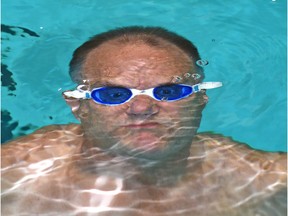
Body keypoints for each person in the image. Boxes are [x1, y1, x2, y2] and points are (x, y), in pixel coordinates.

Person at [1, 26, 286, 216]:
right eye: (113, 94)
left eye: (169, 91)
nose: (141, 107)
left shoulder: (264, 182)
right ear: (78, 105)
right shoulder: (14, 178)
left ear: (201, 99)